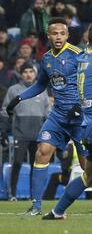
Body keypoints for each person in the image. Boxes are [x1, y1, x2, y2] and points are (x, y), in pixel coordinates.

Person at [9, 0, 92, 216]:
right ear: (48, 34)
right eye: (54, 33)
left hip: (81, 117)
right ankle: (36, 205)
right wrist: (19, 98)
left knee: (89, 168)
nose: (58, 37)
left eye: (62, 33)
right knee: (42, 151)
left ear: (67, 35)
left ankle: (82, 201)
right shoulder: (45, 59)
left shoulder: (78, 53)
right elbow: (41, 85)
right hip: (58, 116)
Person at [1, 63, 49, 201]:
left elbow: (47, 113)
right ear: (21, 74)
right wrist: (4, 130)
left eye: (31, 71)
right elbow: (5, 111)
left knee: (37, 166)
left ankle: (34, 196)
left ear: (35, 74)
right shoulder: (13, 90)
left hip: (37, 134)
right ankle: (13, 195)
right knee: (17, 163)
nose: (28, 74)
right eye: (25, 72)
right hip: (20, 134)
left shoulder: (42, 90)